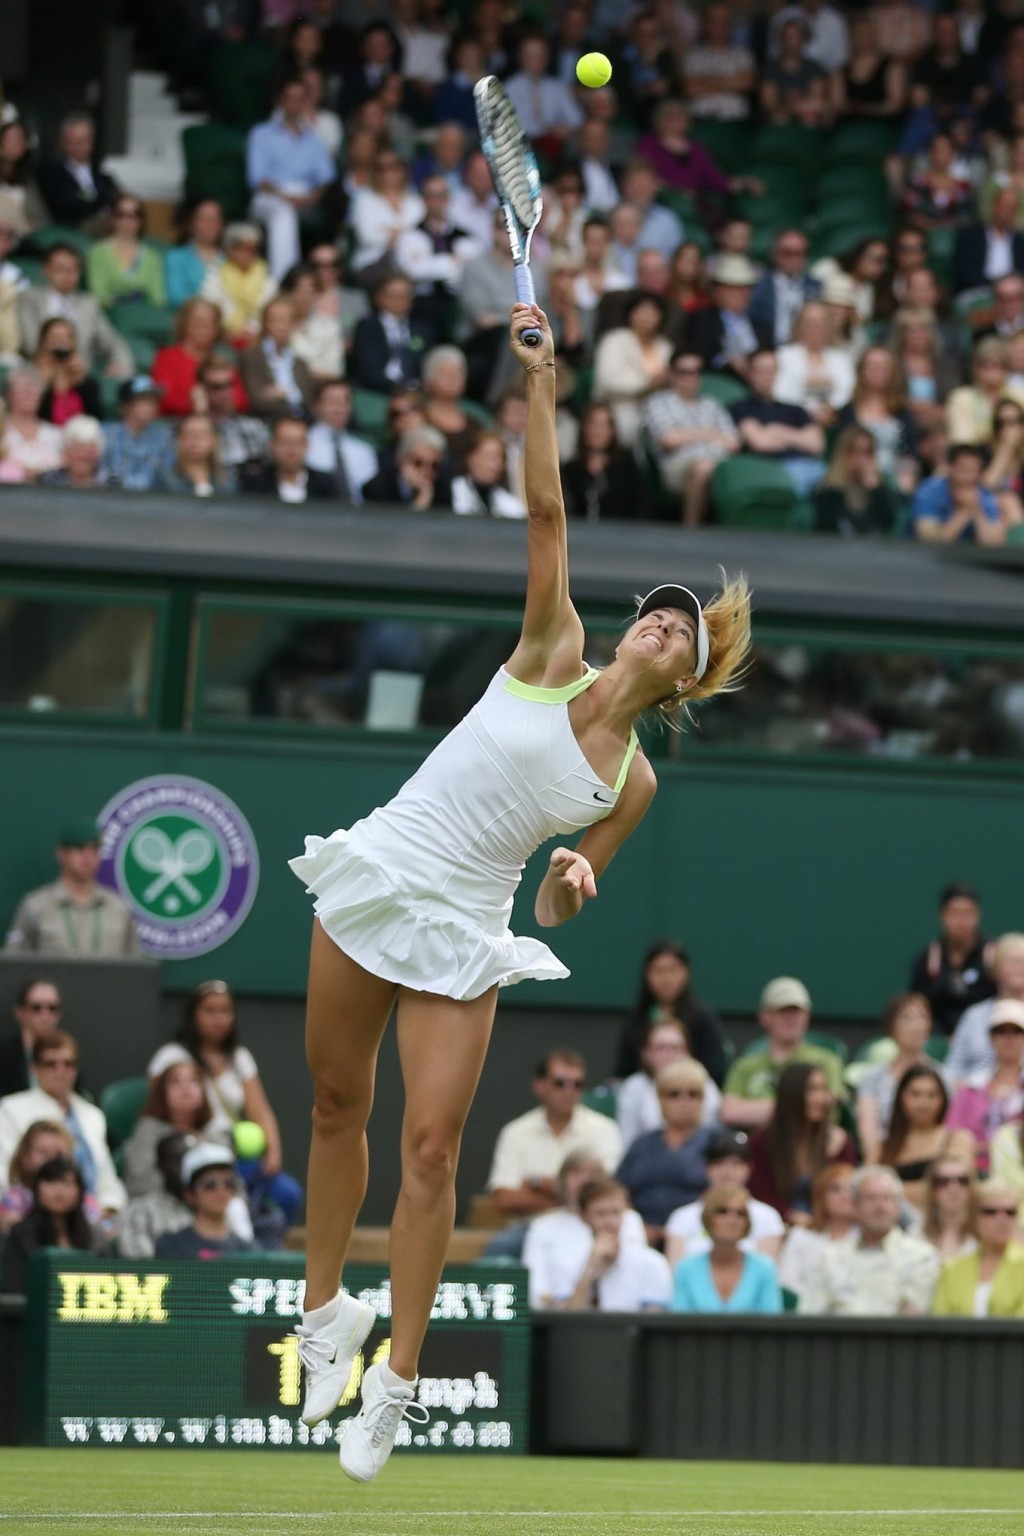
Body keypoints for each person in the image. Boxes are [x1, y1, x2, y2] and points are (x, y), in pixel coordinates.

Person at [286, 300, 752, 1482]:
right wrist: (541, 381)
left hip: (468, 927)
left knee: (432, 1152)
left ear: (686, 675)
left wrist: (571, 882)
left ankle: (393, 1383)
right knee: (337, 1106)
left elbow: (555, 907)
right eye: (654, 610)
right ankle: (326, 1311)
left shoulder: (631, 782)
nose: (657, 622)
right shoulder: (553, 646)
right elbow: (546, 510)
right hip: (386, 866)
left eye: (677, 628)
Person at [147, 979, 301, 1227]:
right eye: (209, 1011)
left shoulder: (240, 1058)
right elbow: (156, 1110)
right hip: (191, 1152)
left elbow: (260, 1111)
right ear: (193, 1015)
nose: (219, 1019)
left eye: (225, 1011)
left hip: (235, 1155)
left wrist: (273, 1151)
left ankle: (266, 1257)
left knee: (287, 1193)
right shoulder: (170, 1056)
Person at [487, 1049, 623, 1222]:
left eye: (578, 1084)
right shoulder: (514, 1132)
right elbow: (504, 1200)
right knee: (498, 1247)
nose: (569, 1090)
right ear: (539, 1086)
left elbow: (604, 1190)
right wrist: (570, 1199)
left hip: (590, 1224)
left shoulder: (605, 1129)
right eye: (560, 1083)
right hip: (529, 1226)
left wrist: (536, 1184)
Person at [0, 1033, 126, 1216]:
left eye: (69, 1064)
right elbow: (5, 1173)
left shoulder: (92, 1115)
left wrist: (107, 1209)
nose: (61, 1071)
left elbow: (107, 1179)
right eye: (51, 1064)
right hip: (34, 1213)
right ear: (34, 1068)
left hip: (92, 1215)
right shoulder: (10, 1110)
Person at [799, 1166, 940, 1316]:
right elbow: (809, 1315)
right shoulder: (829, 1257)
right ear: (855, 1206)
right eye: (871, 1198)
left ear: (898, 1207)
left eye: (887, 1198)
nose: (879, 1206)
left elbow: (913, 1317)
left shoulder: (921, 1257)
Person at [522, 1151, 648, 1308]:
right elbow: (536, 1288)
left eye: (591, 1173)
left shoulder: (629, 1219)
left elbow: (638, 1272)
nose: (583, 1180)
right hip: (559, 1317)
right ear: (562, 1180)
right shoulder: (542, 1227)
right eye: (575, 1173)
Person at [3, 818, 141, 956]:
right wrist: (34, 978)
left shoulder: (120, 908)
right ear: (61, 853)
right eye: (80, 848)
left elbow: (137, 967)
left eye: (94, 849)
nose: (88, 857)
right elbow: (13, 963)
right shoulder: (36, 906)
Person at [721, 977, 845, 1128]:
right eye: (782, 1011)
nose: (791, 1019)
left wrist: (755, 1110)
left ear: (807, 1016)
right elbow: (729, 1113)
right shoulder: (744, 1066)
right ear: (765, 1016)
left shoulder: (827, 1060)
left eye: (796, 1012)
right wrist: (799, 1105)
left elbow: (827, 1103)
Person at [616, 1058, 715, 1243]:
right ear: (660, 1099)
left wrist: (680, 1229)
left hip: (699, 1237)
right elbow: (619, 1190)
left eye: (693, 1094)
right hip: (642, 1238)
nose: (684, 1101)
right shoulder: (642, 1144)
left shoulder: (717, 1142)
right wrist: (637, 1227)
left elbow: (725, 1189)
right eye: (674, 1094)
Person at [248, 79, 335, 281]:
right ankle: (285, 280)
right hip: (268, 196)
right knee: (283, 212)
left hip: (305, 199)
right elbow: (258, 179)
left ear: (306, 102)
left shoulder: (314, 139)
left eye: (299, 99)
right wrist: (286, 197)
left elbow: (324, 179)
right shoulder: (261, 134)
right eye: (290, 98)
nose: (294, 104)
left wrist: (310, 199)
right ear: (280, 100)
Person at [748, 1063, 856, 1222]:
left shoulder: (840, 1141)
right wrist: (790, 1215)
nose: (821, 1098)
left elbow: (846, 1192)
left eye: (823, 1089)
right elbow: (760, 1194)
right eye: (812, 1090)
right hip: (776, 1225)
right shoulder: (762, 1141)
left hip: (827, 1227)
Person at [642, 352, 739, 526]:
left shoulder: (712, 404)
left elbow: (733, 443)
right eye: (684, 372)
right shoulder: (658, 402)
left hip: (720, 463)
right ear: (671, 374)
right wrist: (710, 433)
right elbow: (669, 440)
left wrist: (686, 434)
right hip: (677, 466)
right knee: (703, 467)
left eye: (696, 372)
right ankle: (691, 529)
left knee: (724, 470)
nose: (690, 377)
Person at [664, 1130, 785, 1266]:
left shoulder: (768, 1217)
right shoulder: (682, 1217)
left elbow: (767, 1274)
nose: (727, 1172)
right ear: (707, 1168)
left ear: (749, 1168)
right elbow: (676, 1275)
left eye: (736, 1164)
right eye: (719, 1163)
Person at [18, 244, 133, 378]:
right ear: (46, 270)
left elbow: (113, 342)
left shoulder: (89, 304)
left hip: (79, 376)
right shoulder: (30, 298)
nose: (67, 274)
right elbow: (30, 343)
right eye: (60, 268)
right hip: (39, 373)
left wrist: (121, 364)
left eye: (74, 269)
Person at [560, 1177, 673, 1311]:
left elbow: (655, 1320)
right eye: (600, 1213)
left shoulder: (652, 1263)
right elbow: (569, 1323)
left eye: (616, 1212)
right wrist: (590, 1269)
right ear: (584, 1217)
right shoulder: (569, 1263)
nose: (610, 1221)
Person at [856, 993, 945, 1163]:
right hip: (886, 1161)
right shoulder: (872, 1078)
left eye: (922, 1017)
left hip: (934, 1162)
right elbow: (869, 1137)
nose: (916, 1026)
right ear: (892, 1026)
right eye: (907, 1018)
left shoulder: (944, 1076)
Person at [671, 1185, 784, 1314]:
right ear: (708, 1218)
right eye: (722, 1211)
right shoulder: (686, 1268)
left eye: (740, 1213)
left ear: (747, 1223)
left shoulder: (765, 1268)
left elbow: (772, 1323)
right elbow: (678, 1322)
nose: (732, 1219)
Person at [122, 1060, 228, 1197]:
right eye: (175, 1082)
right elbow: (138, 1182)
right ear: (162, 1092)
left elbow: (231, 1182)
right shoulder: (148, 1129)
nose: (185, 1087)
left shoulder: (213, 1133)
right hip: (159, 1206)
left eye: (194, 1081)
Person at [617, 1018, 722, 1151]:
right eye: (661, 1048)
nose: (669, 1054)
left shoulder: (705, 1083)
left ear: (687, 1052)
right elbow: (628, 1143)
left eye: (675, 1048)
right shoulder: (633, 1088)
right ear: (646, 1053)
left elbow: (712, 1136)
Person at [881, 1063, 974, 1209]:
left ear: (942, 1099)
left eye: (932, 1095)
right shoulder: (882, 1147)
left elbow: (957, 1188)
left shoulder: (958, 1139)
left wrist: (891, 1191)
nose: (924, 1103)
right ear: (900, 1098)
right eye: (915, 1094)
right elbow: (867, 1189)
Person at [908, 881, 995, 1037]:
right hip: (936, 1040)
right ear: (942, 915)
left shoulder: (993, 955)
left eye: (968, 913)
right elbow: (916, 1004)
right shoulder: (927, 959)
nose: (961, 921)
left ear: (978, 915)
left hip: (986, 1039)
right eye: (954, 913)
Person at [946, 1000, 1024, 1170]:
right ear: (991, 1038)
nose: (1009, 1038)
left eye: (1017, 1032)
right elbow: (954, 1136)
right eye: (1001, 1031)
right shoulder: (970, 1087)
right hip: (974, 1171)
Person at [0, 1156, 95, 1293]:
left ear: (80, 1192)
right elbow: (13, 1290)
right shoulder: (20, 1235)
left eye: (67, 1183)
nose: (59, 1190)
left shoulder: (94, 1236)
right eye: (51, 1181)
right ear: (37, 1188)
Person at [592, 293, 673, 449]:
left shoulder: (665, 346)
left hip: (658, 409)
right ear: (630, 313)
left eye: (652, 312)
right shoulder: (614, 340)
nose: (646, 317)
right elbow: (608, 380)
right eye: (641, 311)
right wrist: (648, 383)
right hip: (618, 406)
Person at [932, 1182, 1024, 1317]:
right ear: (974, 1217)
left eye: (1010, 1212)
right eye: (990, 1212)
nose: (1002, 1219)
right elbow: (940, 1321)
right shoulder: (952, 1269)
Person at [154, 1143, 257, 1260]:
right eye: (210, 1184)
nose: (221, 1191)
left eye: (229, 1183)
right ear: (190, 1193)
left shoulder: (247, 1249)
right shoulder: (170, 1246)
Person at [947, 933, 1024, 1087]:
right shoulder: (973, 1016)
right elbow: (953, 1070)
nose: (1020, 968)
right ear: (995, 968)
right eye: (1013, 962)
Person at [0, 1119, 102, 1235]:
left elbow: (101, 1231)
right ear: (25, 1157)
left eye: (59, 1154)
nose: (52, 1160)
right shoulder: (14, 1200)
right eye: (44, 1153)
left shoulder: (83, 1200)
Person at [153, 298, 248, 420]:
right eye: (198, 322)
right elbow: (165, 398)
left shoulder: (222, 360)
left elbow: (241, 400)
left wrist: (210, 404)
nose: (204, 327)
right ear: (184, 324)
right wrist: (198, 405)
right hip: (179, 423)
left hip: (222, 423)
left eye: (210, 322)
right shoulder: (166, 357)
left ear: (217, 328)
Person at [776, 1162, 857, 1301]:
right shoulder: (800, 1236)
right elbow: (787, 1282)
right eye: (835, 1189)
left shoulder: (869, 1238)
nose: (844, 1195)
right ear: (821, 1197)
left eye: (851, 1189)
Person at [911, 441, 1015, 545]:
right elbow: (930, 542)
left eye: (973, 471)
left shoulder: (984, 495)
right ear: (949, 468)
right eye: (963, 470)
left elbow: (994, 544)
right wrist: (963, 513)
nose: (968, 477)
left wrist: (976, 511)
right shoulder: (929, 492)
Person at [559, 401, 647, 524]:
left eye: (604, 425)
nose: (598, 431)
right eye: (594, 424)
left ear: (612, 431)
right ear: (584, 428)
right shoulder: (570, 470)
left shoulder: (627, 465)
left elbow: (641, 507)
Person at [688, 256, 772, 385]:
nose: (743, 293)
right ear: (718, 291)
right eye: (735, 288)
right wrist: (729, 361)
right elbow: (701, 354)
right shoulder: (703, 320)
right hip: (720, 383)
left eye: (747, 288)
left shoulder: (761, 325)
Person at [350, 275, 435, 396]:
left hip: (414, 393)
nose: (399, 300)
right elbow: (368, 369)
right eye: (393, 295)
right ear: (379, 298)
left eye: (404, 295)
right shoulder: (367, 327)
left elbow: (426, 365)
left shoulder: (423, 330)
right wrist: (398, 388)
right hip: (375, 392)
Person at [813, 425, 901, 536]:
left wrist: (875, 489)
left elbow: (888, 525)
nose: (862, 459)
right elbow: (829, 527)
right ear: (843, 454)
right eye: (855, 451)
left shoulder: (881, 489)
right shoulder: (826, 490)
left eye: (868, 452)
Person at [238, 296, 317, 422]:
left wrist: (277, 393)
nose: (281, 326)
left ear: (294, 324)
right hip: (265, 422)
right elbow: (258, 401)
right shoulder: (252, 357)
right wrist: (292, 395)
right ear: (265, 323)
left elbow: (308, 400)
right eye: (275, 320)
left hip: (302, 423)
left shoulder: (301, 363)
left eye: (287, 321)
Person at [36, 114, 118, 233]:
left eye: (85, 140)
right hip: (69, 232)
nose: (81, 145)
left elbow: (114, 199)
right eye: (74, 141)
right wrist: (98, 208)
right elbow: (65, 204)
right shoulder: (51, 173)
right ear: (63, 143)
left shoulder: (103, 177)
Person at [119, 1131, 195, 1260]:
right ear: (160, 1165)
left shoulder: (219, 1206)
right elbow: (139, 1264)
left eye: (191, 1160)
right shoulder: (141, 1210)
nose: (185, 1167)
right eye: (177, 1160)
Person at [85, 196, 166, 310]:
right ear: (113, 218)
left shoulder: (153, 257)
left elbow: (158, 299)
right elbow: (99, 295)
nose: (128, 220)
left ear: (141, 220)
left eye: (135, 215)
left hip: (144, 318)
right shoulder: (97, 252)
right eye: (121, 214)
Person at [202, 225, 278, 344]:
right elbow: (210, 310)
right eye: (240, 247)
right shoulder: (214, 276)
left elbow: (271, 313)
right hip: (222, 339)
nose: (246, 252)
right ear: (229, 249)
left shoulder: (268, 280)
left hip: (259, 339)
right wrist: (228, 333)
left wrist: (253, 331)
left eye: (252, 248)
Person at [194, 357, 271, 476]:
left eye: (228, 385)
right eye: (216, 387)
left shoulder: (254, 427)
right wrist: (201, 416)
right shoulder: (187, 431)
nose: (225, 393)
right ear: (201, 390)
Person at [305, 378, 378, 502]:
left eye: (345, 401)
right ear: (316, 406)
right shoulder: (303, 444)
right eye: (332, 401)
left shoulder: (364, 450)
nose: (339, 408)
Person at [749, 230, 822, 350]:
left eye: (798, 253)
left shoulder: (816, 287)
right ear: (774, 254)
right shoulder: (757, 285)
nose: (792, 258)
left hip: (805, 352)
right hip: (766, 350)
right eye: (787, 253)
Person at [100, 377, 175, 491]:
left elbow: (166, 479)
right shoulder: (106, 433)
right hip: (112, 500)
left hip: (152, 504)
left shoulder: (163, 437)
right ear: (126, 406)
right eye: (144, 400)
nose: (152, 405)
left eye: (154, 401)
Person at [240, 415, 336, 502]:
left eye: (298, 443)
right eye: (285, 442)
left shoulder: (325, 485)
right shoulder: (255, 485)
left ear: (307, 446)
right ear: (272, 445)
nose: (292, 450)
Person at [362, 423, 452, 510]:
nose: (427, 470)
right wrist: (422, 498)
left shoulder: (444, 490)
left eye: (435, 465)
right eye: (418, 463)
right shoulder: (377, 489)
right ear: (400, 461)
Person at [953, 187, 1024, 296]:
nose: (1006, 212)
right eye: (1004, 205)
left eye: (1011, 208)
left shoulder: (1020, 241)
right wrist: (994, 286)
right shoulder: (970, 234)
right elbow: (963, 269)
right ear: (994, 206)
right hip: (978, 290)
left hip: (1013, 293)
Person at [0, 978, 63, 1098]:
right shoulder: (4, 1057)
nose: (45, 1016)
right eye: (36, 1008)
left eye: (52, 1008)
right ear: (20, 1012)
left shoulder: (65, 1057)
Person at [33, 318, 101, 426]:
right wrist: (43, 385)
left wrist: (82, 384)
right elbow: (31, 419)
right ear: (43, 342)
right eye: (54, 337)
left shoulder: (86, 383)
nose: (61, 341)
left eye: (67, 337)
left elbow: (96, 422)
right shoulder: (31, 379)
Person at [0, 367, 62, 482]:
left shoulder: (56, 434)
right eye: (21, 390)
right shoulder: (2, 430)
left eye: (33, 389)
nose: (28, 395)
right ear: (8, 395)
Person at [165, 199, 226, 309]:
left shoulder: (230, 259)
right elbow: (177, 297)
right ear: (193, 223)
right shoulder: (176, 258)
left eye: (214, 219)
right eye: (204, 219)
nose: (210, 225)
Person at [158, 413, 235, 498]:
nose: (195, 439)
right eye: (189, 433)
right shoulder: (164, 477)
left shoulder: (228, 478)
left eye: (202, 434)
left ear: (214, 440)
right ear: (179, 440)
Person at [451, 432, 526, 520]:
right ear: (470, 458)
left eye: (499, 459)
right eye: (488, 457)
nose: (493, 466)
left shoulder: (510, 504)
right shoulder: (450, 491)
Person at [921, 1154, 978, 1262]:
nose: (953, 1188)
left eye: (962, 1180)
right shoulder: (916, 1234)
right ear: (932, 1189)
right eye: (943, 1181)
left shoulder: (985, 1234)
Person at [43, 415, 107, 491]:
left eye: (89, 450)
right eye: (78, 449)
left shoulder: (110, 483)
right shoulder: (47, 482)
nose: (83, 455)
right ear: (65, 451)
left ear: (98, 454)